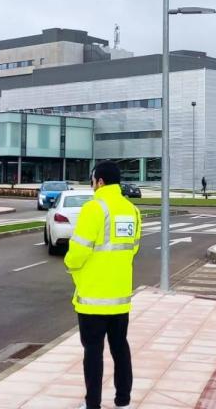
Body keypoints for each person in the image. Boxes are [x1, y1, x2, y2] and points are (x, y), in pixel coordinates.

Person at [64, 161, 142, 409]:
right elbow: (133, 248)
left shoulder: (94, 208)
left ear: (99, 181)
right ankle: (123, 401)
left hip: (93, 298)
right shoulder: (131, 210)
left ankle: (93, 404)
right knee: (120, 348)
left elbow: (77, 251)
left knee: (93, 352)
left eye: (92, 180)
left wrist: (71, 267)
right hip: (120, 297)